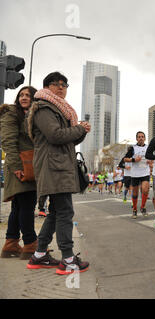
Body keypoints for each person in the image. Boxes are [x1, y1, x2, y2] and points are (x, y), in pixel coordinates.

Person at [26, 71, 90, 274]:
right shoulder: (44, 107)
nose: (61, 87)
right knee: (65, 212)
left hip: (59, 165)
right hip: (54, 167)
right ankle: (68, 259)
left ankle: (39, 254)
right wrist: (79, 129)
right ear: (47, 87)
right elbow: (55, 135)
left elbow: (67, 139)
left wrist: (81, 131)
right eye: (56, 83)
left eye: (64, 84)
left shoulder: (59, 109)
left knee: (55, 212)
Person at [0, 86, 39, 260]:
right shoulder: (12, 113)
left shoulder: (30, 115)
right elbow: (8, 141)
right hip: (21, 165)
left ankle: (11, 244)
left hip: (28, 164)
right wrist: (17, 167)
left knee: (18, 206)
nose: (24, 97)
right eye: (21, 95)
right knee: (27, 205)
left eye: (28, 95)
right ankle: (30, 244)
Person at [124, 131, 151, 219]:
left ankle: (143, 207)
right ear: (136, 139)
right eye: (139, 137)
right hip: (135, 174)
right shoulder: (133, 148)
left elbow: (152, 158)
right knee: (135, 193)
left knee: (145, 189)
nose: (141, 138)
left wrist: (150, 161)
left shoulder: (148, 148)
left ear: (145, 138)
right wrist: (134, 160)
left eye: (142, 136)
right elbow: (125, 159)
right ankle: (135, 210)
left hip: (145, 172)